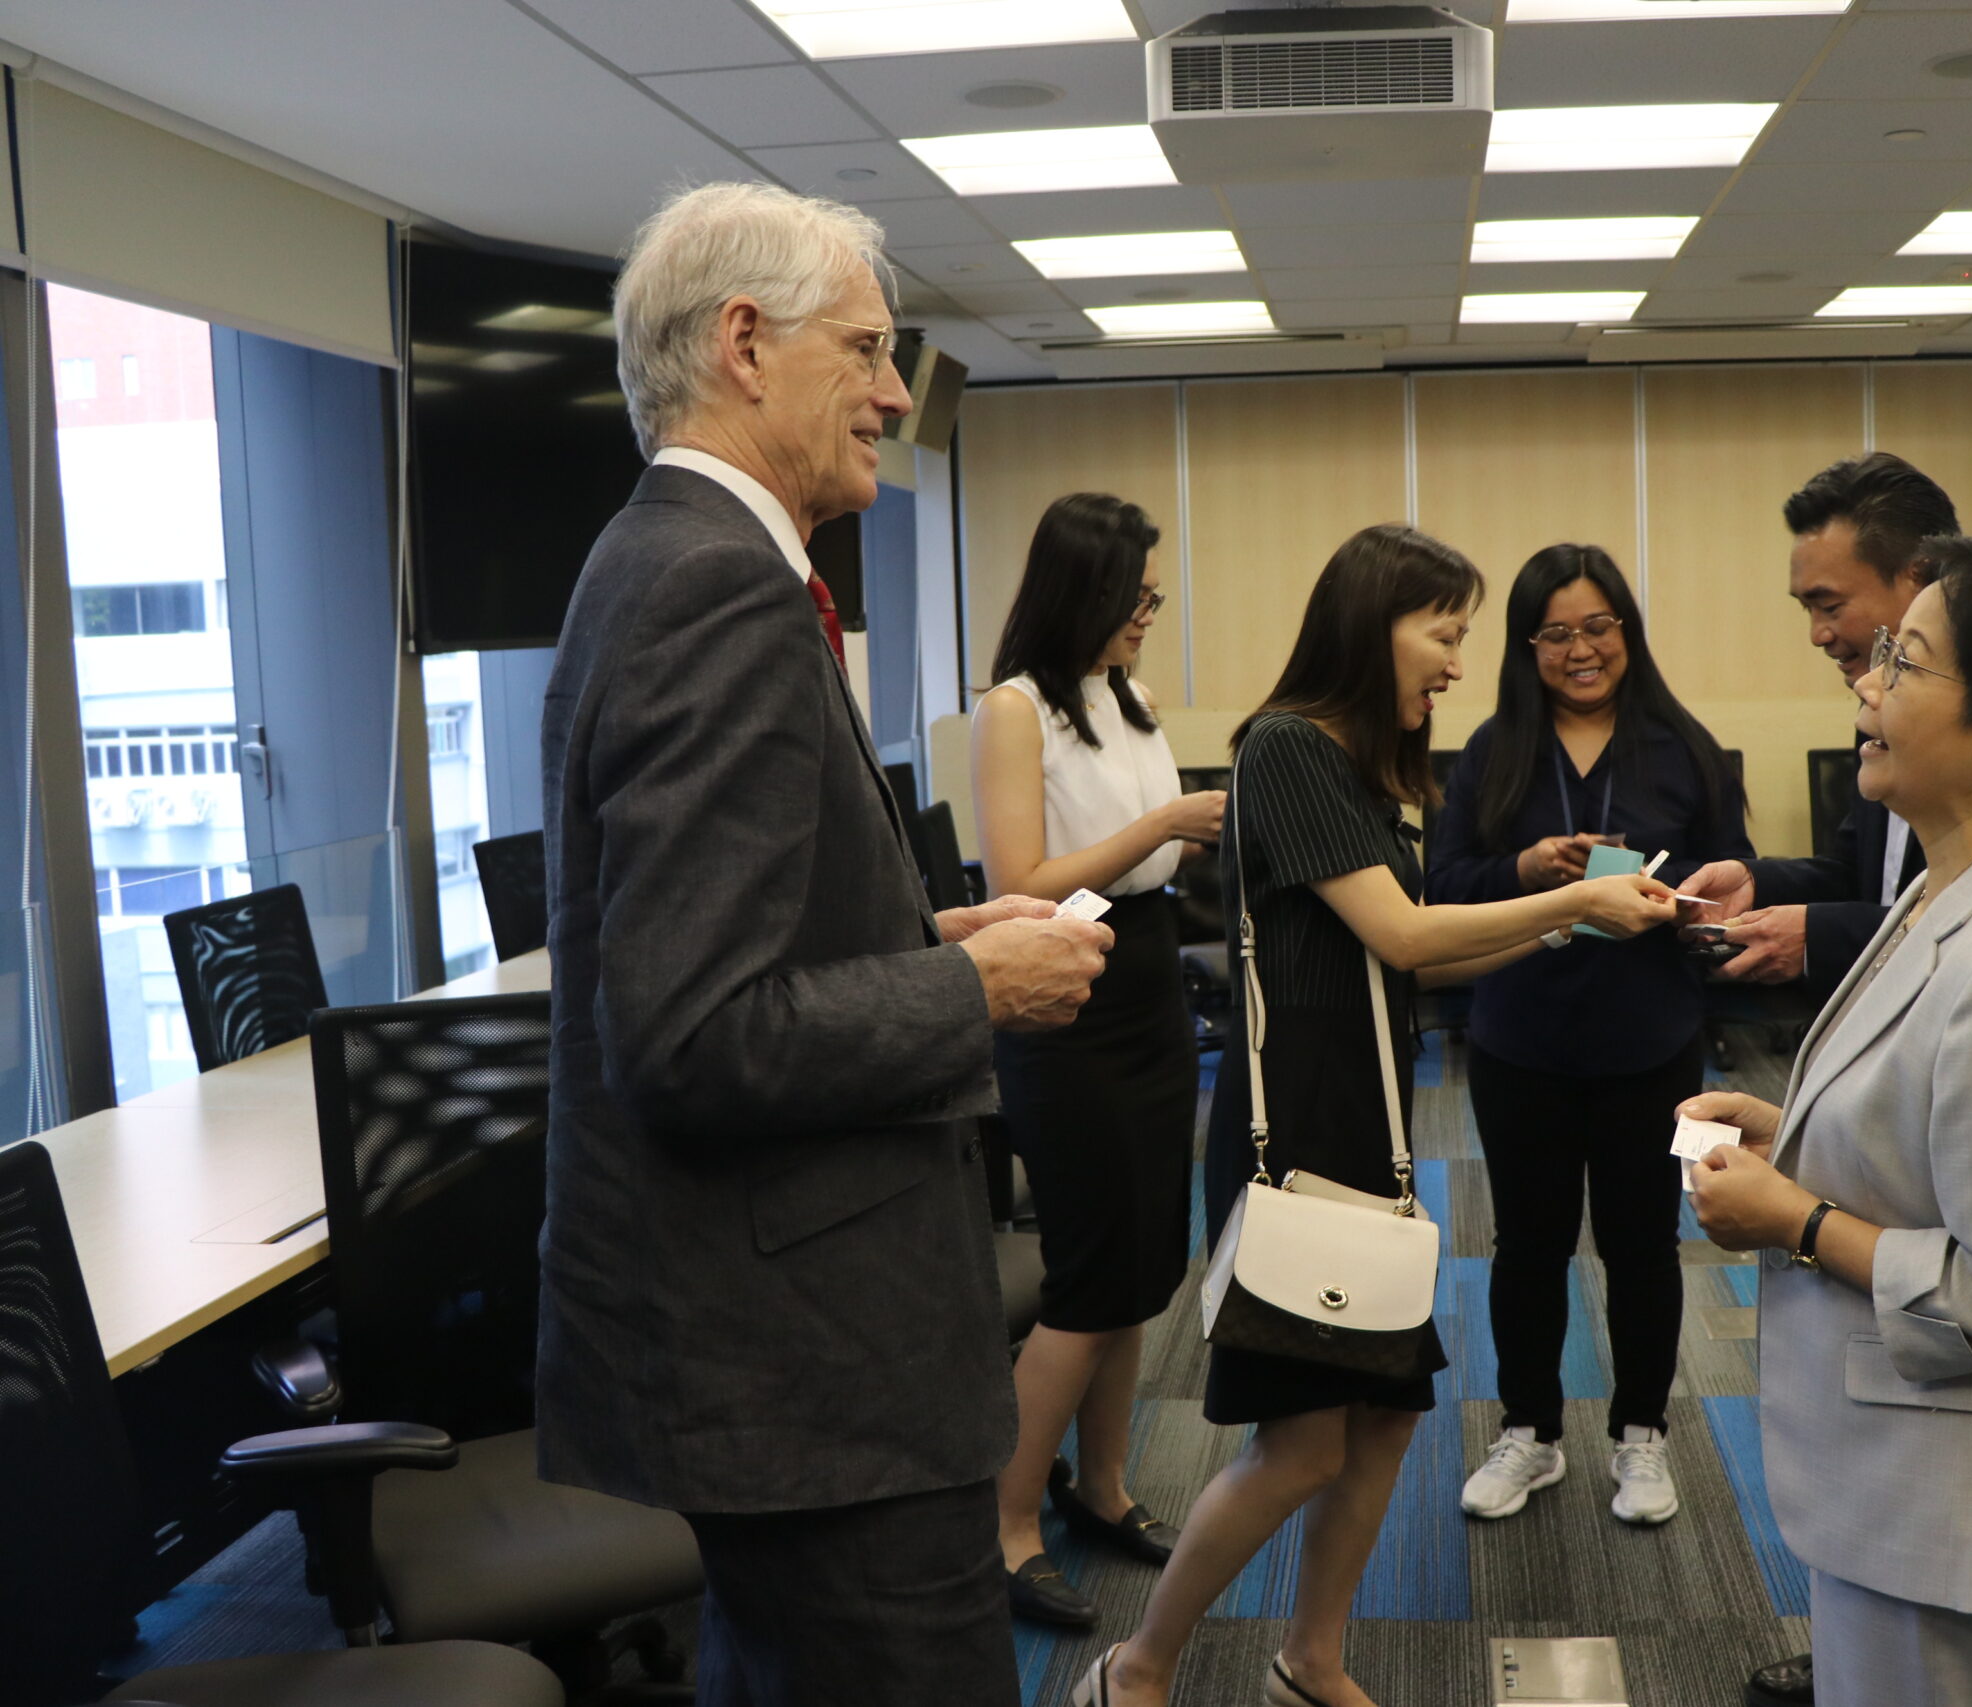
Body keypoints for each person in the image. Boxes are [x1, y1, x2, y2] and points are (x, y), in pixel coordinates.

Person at [538, 182, 1111, 1707]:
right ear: (743, 342)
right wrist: (969, 986)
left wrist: (920, 927)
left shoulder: (667, 557)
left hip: (778, 1345)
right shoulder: (713, 585)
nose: (891, 392)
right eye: (865, 348)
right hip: (809, 1364)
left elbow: (730, 929)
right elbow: (688, 1033)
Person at [1079, 526, 1676, 1707]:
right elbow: (1407, 935)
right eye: (1443, 633)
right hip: (1295, 1127)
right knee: (1299, 1442)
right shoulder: (1288, 751)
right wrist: (1575, 895)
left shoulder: (1360, 769)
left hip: (1369, 1123)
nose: (1457, 664)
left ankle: (1312, 1659)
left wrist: (1568, 919)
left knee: (1388, 1423)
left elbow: (1409, 969)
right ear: (1372, 625)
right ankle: (1136, 1668)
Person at [1690, 455, 1972, 1707]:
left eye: (1906, 662)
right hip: (1897, 1480)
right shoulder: (1949, 888)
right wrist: (1792, 1135)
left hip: (1954, 1508)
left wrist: (1795, 1217)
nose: (1865, 680)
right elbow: (1939, 1140)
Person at [1424, 543, 1753, 1527]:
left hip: (1650, 1040)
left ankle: (1641, 1436)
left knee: (1645, 1243)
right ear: (1528, 648)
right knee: (1525, 1245)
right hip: (1519, 1037)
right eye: (1556, 633)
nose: (1580, 649)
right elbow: (1443, 890)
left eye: (1598, 626)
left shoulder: (1678, 743)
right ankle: (1529, 1432)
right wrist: (1525, 869)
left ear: (1626, 631)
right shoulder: (1491, 751)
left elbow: (1725, 880)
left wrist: (1686, 906)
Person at [970, 493, 1227, 1627]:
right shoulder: (1012, 710)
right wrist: (1165, 824)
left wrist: (1169, 835)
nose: (1146, 619)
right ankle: (1008, 1520)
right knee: (1084, 1277)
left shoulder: (1127, 698)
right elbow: (1018, 884)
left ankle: (1105, 1488)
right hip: (1062, 992)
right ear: (1085, 591)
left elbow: (1149, 864)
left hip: (1149, 980)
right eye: (1137, 599)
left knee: (1141, 1269)